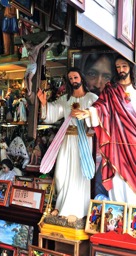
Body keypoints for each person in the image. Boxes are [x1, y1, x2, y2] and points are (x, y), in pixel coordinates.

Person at [73, 55, 136, 206]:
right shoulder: (111, 90)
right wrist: (89, 112)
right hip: (116, 144)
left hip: (133, 143)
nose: (121, 70)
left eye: (124, 66)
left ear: (131, 67)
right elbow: (100, 107)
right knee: (118, 181)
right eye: (118, 67)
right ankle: (118, 218)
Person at [38, 67, 98, 219]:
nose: (73, 81)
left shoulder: (91, 98)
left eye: (75, 77)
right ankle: (61, 206)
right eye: (71, 79)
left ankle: (77, 211)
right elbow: (53, 112)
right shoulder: (65, 99)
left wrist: (86, 115)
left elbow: (99, 116)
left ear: (81, 78)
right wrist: (44, 103)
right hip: (67, 140)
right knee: (60, 174)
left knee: (79, 174)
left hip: (83, 140)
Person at [21, 34, 51, 102]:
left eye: (27, 44)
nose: (26, 45)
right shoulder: (28, 49)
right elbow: (24, 45)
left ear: (30, 44)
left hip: (33, 65)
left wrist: (48, 38)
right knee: (25, 78)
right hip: (29, 65)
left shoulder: (36, 48)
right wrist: (22, 40)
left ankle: (30, 91)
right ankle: (29, 91)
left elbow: (42, 44)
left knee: (29, 78)